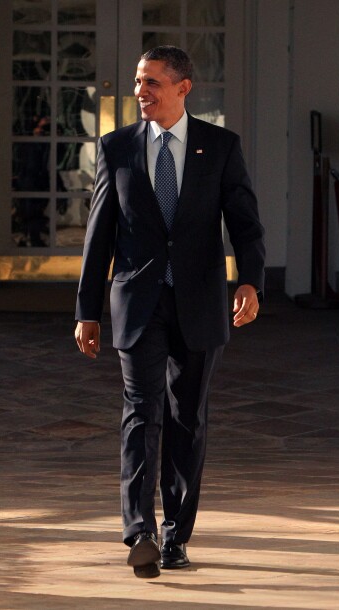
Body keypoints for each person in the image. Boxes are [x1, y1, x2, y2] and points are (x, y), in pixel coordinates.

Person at [74, 46, 265, 579]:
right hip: (138, 303)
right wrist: (87, 309)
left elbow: (246, 225)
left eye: (153, 82)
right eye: (138, 82)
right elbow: (99, 237)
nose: (142, 92)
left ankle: (176, 535)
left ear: (184, 88)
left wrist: (249, 280)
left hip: (201, 303)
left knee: (188, 418)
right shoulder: (117, 149)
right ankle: (139, 530)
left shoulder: (220, 147)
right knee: (142, 412)